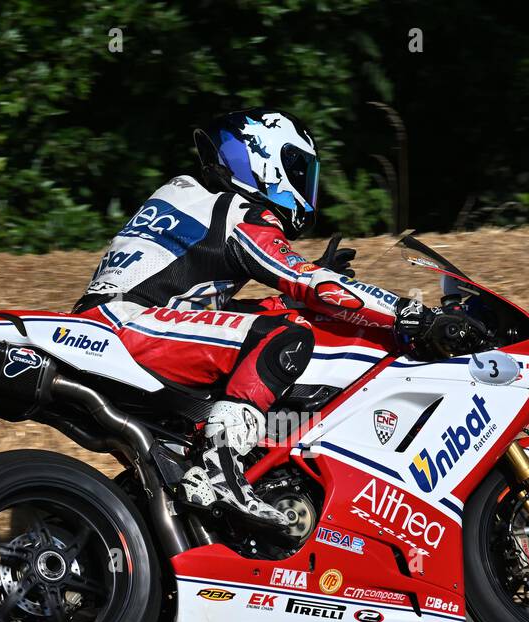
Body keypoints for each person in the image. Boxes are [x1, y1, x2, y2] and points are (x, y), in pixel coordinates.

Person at [73, 108, 461, 526]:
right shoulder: (240, 211)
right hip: (132, 327)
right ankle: (221, 468)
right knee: (285, 334)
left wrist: (308, 281)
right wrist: (408, 314)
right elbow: (311, 284)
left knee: (276, 314)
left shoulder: (191, 195)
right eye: (297, 167)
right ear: (264, 160)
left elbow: (211, 291)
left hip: (118, 324)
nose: (304, 186)